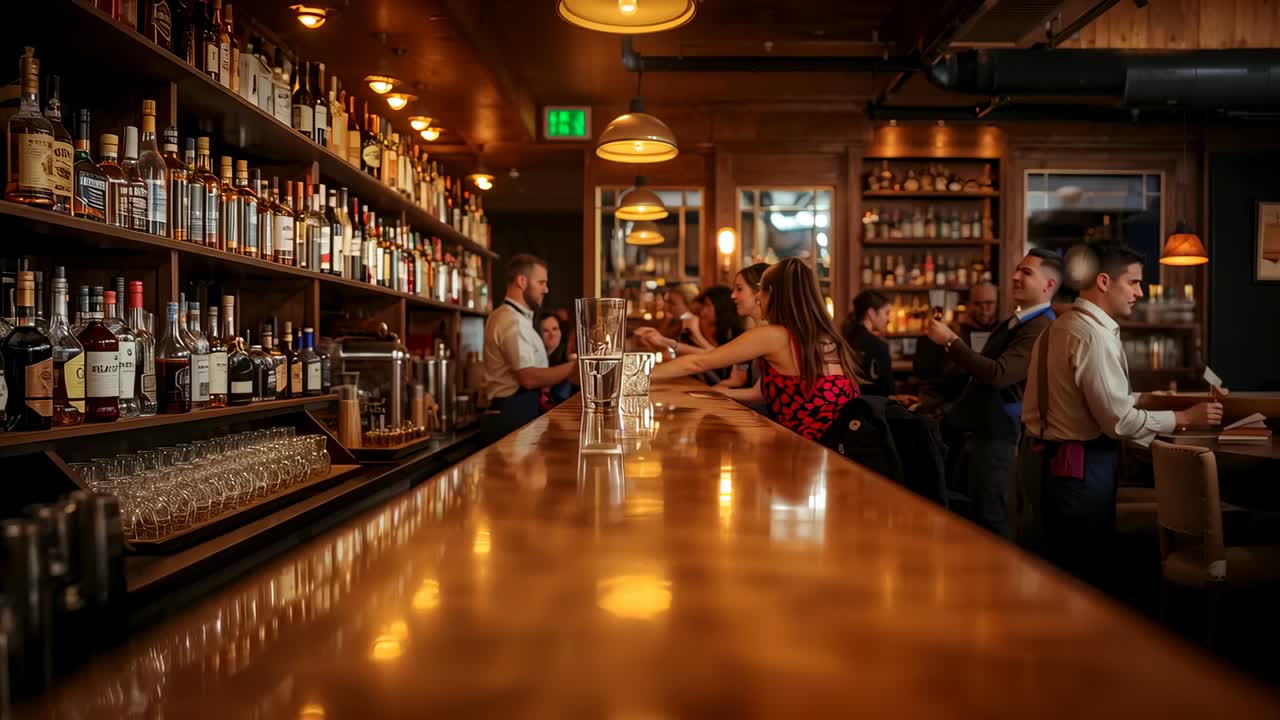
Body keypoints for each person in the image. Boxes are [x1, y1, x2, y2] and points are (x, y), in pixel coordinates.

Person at [1018, 242, 1222, 582]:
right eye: (1134, 282)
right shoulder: (1091, 336)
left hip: (1041, 460)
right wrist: (1186, 418)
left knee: (1051, 571)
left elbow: (1074, 397)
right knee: (1083, 577)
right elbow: (1118, 422)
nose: (1140, 292)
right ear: (1103, 282)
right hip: (1077, 469)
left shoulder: (1060, 326)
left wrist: (1143, 397)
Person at [925, 252, 1061, 539]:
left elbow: (998, 374)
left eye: (1026, 272)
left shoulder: (1040, 325)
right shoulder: (1016, 319)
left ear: (1048, 285)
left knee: (991, 522)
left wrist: (950, 340)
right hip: (981, 432)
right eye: (1016, 270)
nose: (1015, 277)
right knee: (971, 520)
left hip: (1000, 436)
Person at [650, 258, 860, 441]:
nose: (758, 297)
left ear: (773, 294)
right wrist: (708, 393)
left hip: (808, 452)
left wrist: (638, 376)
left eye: (761, 290)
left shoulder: (774, 336)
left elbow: (700, 362)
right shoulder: (826, 336)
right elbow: (762, 393)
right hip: (841, 449)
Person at [481, 254, 577, 434]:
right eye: (541, 282)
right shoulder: (510, 320)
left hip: (520, 412)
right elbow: (528, 377)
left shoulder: (516, 318)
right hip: (510, 417)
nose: (546, 289)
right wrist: (575, 367)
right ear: (522, 281)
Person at [913, 282, 1002, 417]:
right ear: (968, 304)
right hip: (952, 409)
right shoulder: (951, 333)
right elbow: (932, 381)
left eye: (989, 303)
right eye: (978, 304)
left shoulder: (1001, 332)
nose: (984, 309)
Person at [843, 290, 894, 396]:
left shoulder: (844, 340)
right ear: (871, 313)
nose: (888, 319)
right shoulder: (879, 346)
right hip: (873, 409)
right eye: (886, 313)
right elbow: (887, 393)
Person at [536, 310, 575, 410]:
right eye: (546, 331)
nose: (552, 334)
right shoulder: (533, 360)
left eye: (555, 329)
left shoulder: (568, 359)